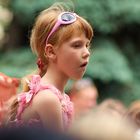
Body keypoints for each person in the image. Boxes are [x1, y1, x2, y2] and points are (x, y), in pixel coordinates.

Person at [6, 2, 93, 132]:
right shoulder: (49, 99)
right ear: (51, 52)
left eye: (87, 45)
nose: (87, 52)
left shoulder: (58, 96)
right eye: (77, 45)